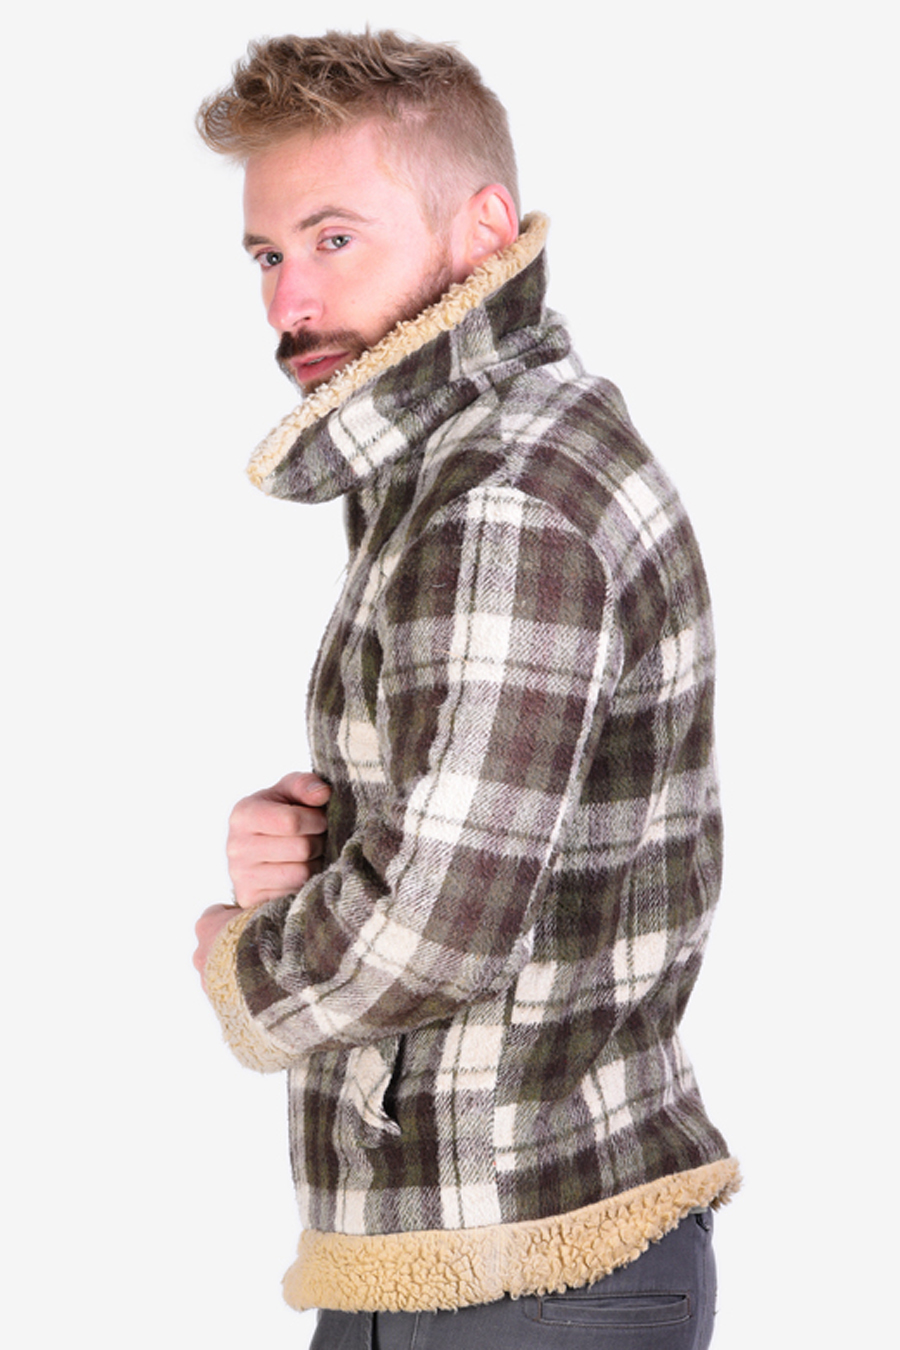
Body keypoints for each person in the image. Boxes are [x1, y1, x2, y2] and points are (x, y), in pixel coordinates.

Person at [192, 30, 738, 1349]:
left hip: (521, 1273)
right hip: (481, 1260)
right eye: (266, 255)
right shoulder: (481, 460)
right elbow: (477, 854)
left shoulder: (505, 496)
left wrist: (242, 960)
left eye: (334, 240)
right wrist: (321, 848)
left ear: (481, 228)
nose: (287, 301)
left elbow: (436, 930)